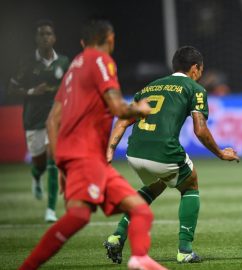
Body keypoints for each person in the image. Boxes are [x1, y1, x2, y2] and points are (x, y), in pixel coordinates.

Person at [19, 19, 165, 270]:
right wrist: (139, 109)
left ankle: (140, 258)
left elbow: (52, 121)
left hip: (82, 157)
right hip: (85, 154)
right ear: (110, 38)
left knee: (141, 211)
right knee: (78, 216)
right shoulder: (101, 60)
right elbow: (118, 107)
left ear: (83, 42)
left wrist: (60, 163)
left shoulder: (72, 68)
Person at [103, 46, 240, 264]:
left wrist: (110, 148)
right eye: (201, 70)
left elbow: (123, 120)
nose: (201, 74)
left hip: (134, 152)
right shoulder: (194, 88)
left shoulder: (150, 87)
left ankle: (117, 236)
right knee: (190, 183)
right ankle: (185, 250)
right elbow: (200, 129)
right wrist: (221, 153)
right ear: (195, 68)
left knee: (155, 186)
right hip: (162, 151)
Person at [9, 20, 70, 222]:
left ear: (54, 38)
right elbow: (12, 88)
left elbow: (71, 87)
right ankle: (36, 177)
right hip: (33, 120)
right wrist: (31, 91)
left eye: (48, 34)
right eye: (41, 34)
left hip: (54, 118)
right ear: (37, 39)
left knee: (53, 161)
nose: (45, 37)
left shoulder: (63, 62)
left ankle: (50, 210)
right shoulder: (26, 63)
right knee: (40, 164)